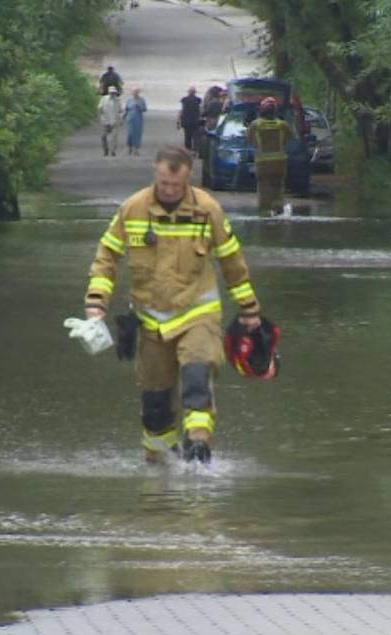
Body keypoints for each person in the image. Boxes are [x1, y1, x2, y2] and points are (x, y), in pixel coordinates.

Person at [83, 146, 264, 464]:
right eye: (164, 183)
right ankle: (160, 473)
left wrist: (249, 310)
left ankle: (199, 447)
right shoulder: (133, 208)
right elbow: (106, 258)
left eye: (176, 186)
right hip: (151, 323)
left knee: (196, 379)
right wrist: (96, 305)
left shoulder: (207, 210)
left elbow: (231, 261)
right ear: (156, 171)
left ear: (188, 178)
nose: (169, 191)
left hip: (198, 314)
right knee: (155, 407)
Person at [247, 97, 294, 216]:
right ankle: (278, 214)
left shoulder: (255, 125)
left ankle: (265, 216)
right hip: (280, 163)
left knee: (264, 191)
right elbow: (290, 138)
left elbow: (249, 139)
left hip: (262, 164)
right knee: (278, 190)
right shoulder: (282, 125)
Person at [98, 86, 123, 157]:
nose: (112, 94)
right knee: (103, 136)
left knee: (114, 137)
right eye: (111, 92)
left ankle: (113, 151)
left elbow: (120, 111)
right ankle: (105, 150)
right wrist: (100, 111)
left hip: (114, 121)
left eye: (114, 93)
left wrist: (121, 120)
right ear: (109, 92)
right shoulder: (104, 99)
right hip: (105, 121)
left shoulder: (117, 100)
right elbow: (99, 108)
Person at [124, 87, 147, 156]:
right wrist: (123, 118)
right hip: (130, 119)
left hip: (138, 119)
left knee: (137, 134)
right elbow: (126, 110)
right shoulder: (129, 100)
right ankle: (130, 148)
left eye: (136, 92)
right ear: (132, 93)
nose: (135, 93)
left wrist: (139, 106)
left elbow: (144, 109)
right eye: (134, 92)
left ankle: (136, 149)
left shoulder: (141, 100)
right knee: (130, 134)